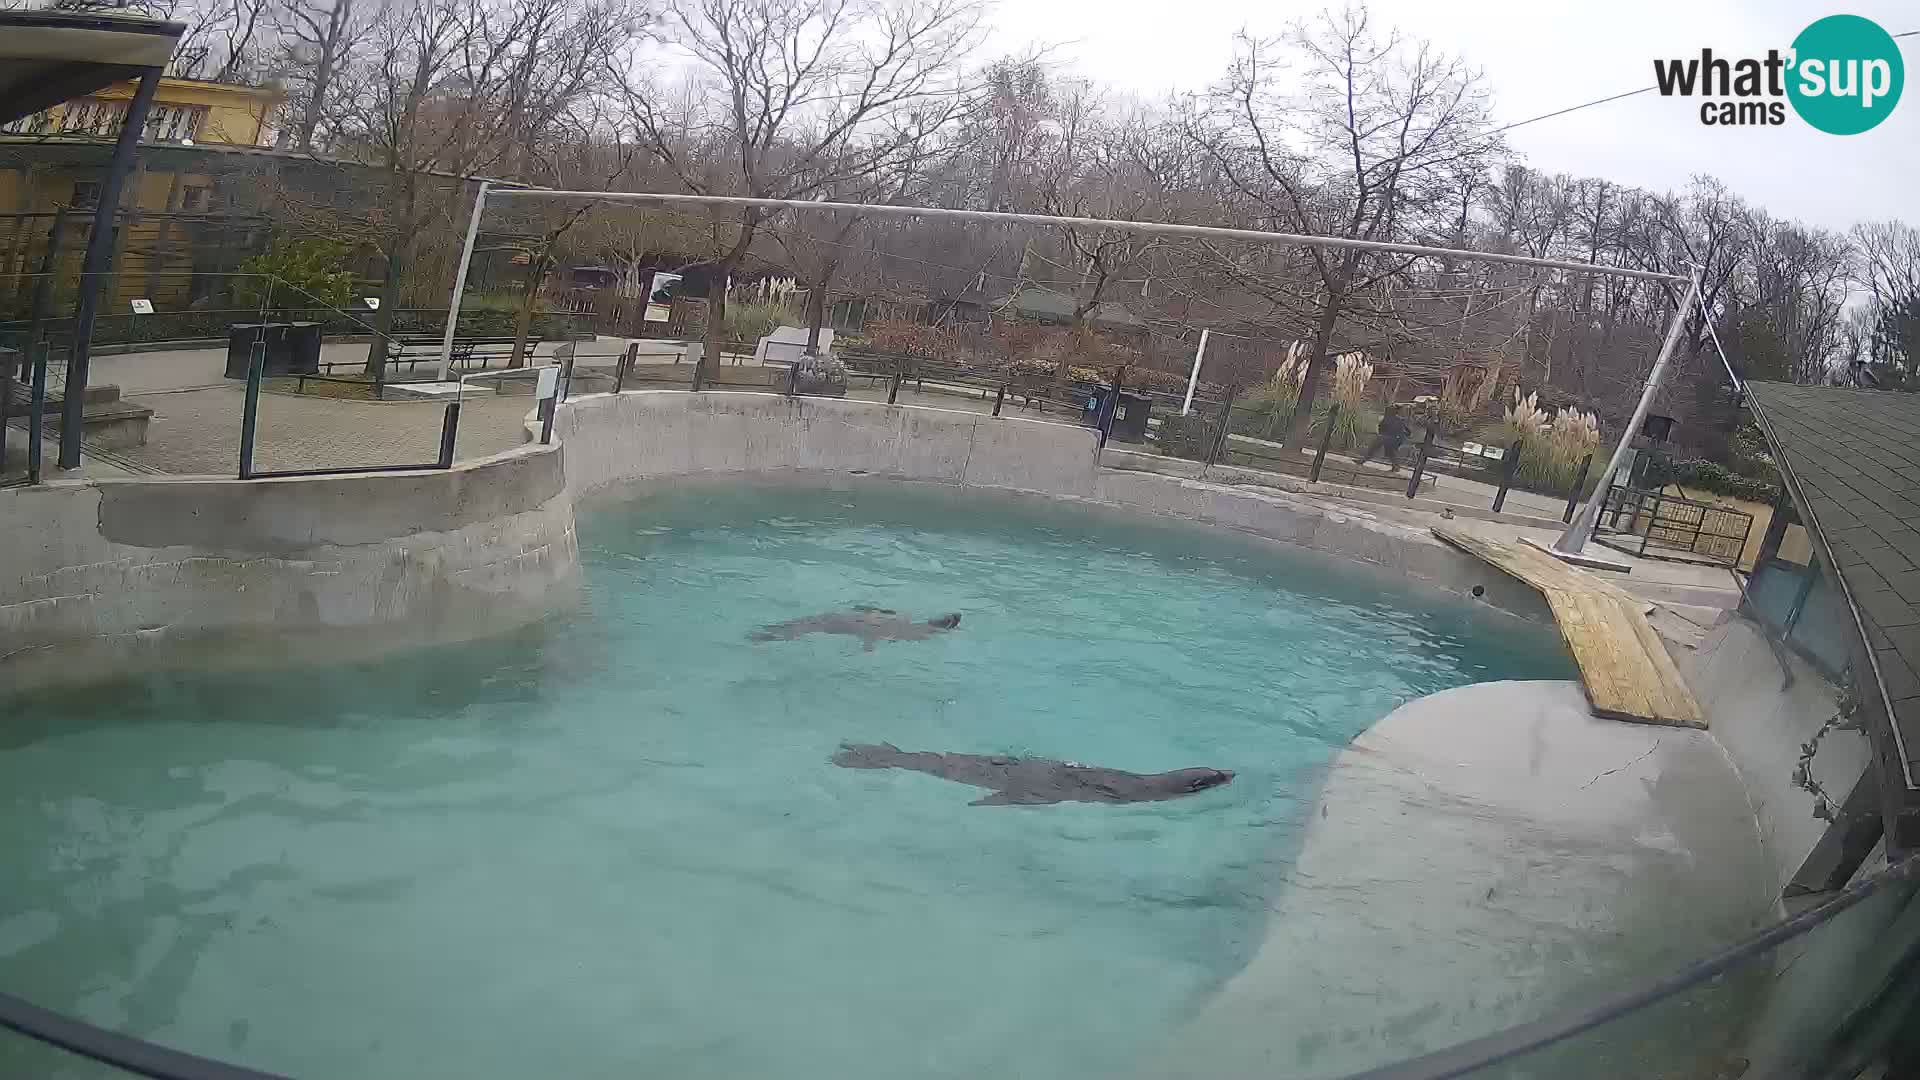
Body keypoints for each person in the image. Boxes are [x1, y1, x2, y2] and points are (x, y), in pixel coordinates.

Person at [1358, 404, 1414, 472]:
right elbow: (1381, 427)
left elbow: (1407, 431)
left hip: (1392, 438)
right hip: (1388, 437)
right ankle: (1395, 466)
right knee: (1387, 451)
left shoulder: (1396, 419)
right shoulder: (1391, 418)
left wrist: (1401, 436)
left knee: (1384, 449)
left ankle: (1363, 460)